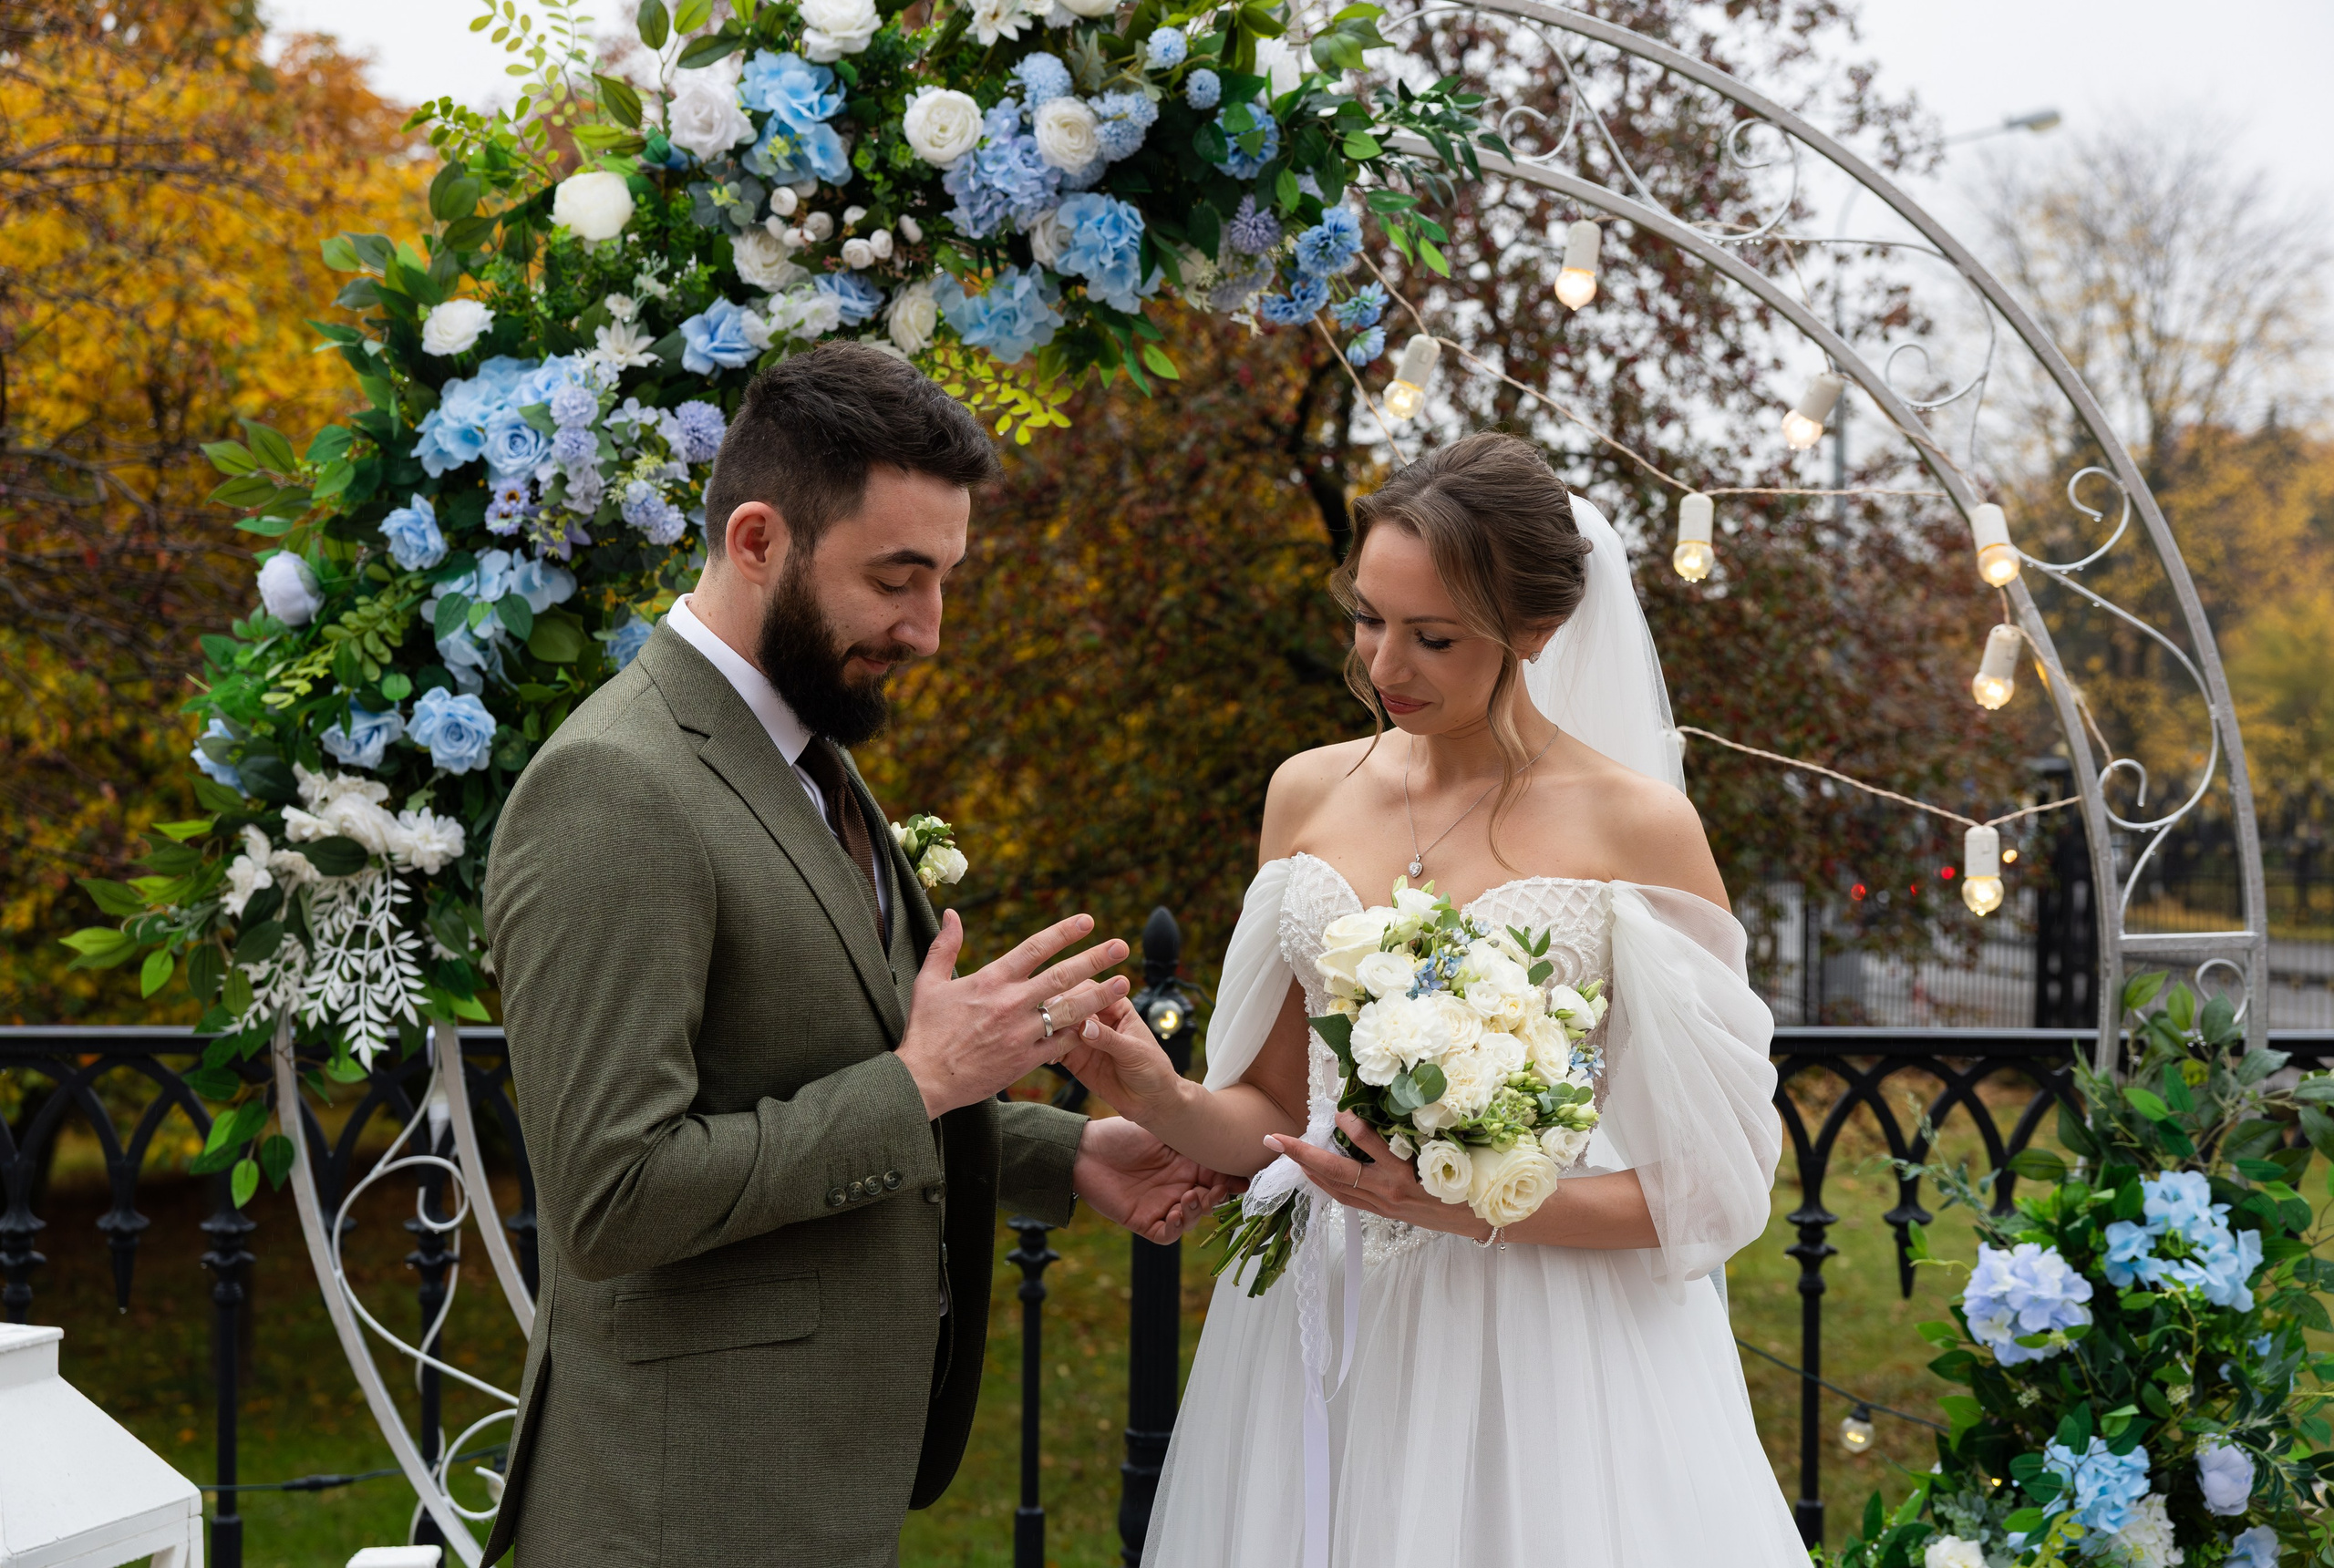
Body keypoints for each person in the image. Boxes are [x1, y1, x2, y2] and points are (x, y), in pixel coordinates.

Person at [481, 343, 1229, 1567]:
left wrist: (1065, 1152)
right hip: (685, 1511)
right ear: (761, 540)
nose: (928, 630)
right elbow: (611, 1197)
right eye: (896, 579)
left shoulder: (800, 750)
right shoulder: (614, 789)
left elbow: (807, 1058)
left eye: (943, 579)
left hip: (810, 1491)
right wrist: (928, 1080)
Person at [1063, 433, 1804, 1566]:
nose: (1382, 663)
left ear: (1539, 634)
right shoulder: (1306, 790)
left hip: (1546, 1347)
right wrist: (1156, 1094)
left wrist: (1471, 1204)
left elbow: (1715, 1184)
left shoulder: (1636, 826)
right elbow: (1268, 1108)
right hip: (1320, 1322)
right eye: (1367, 617)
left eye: (1433, 636)